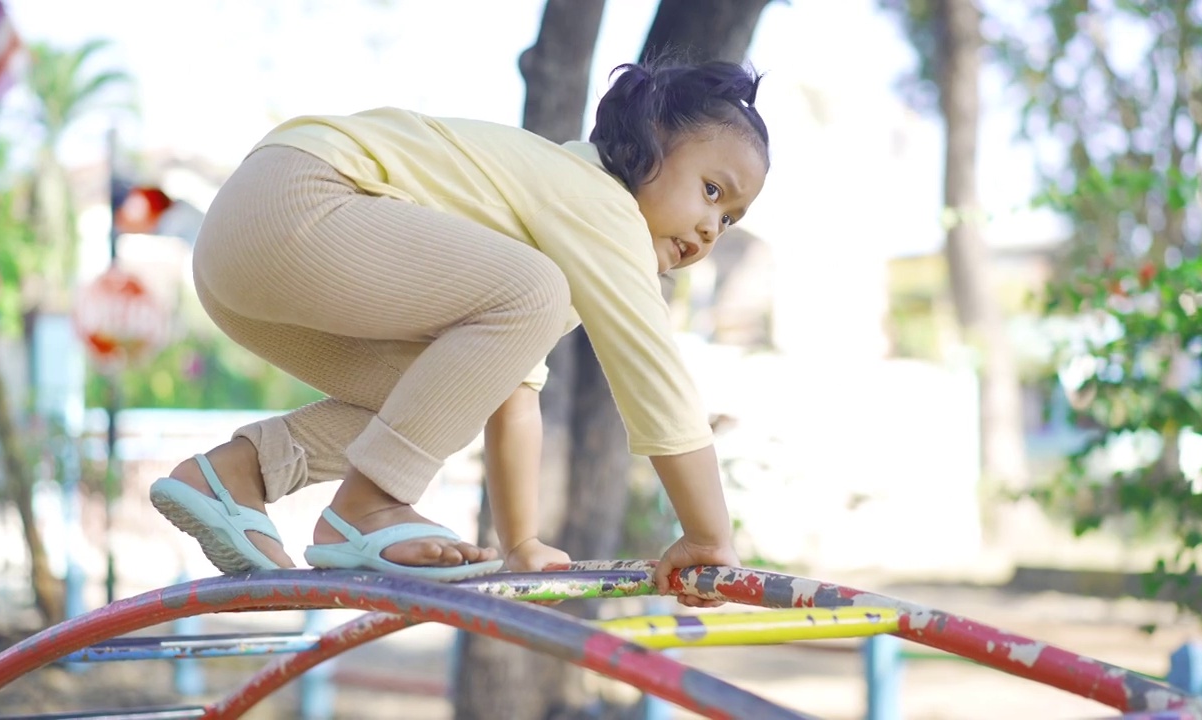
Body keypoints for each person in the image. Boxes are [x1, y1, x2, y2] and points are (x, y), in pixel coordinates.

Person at [149, 55, 770, 605]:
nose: (714, 228)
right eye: (713, 190)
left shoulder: (535, 238)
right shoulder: (601, 205)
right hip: (305, 195)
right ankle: (368, 505)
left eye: (731, 218)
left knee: (451, 390)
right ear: (644, 148)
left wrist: (520, 542)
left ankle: (238, 472)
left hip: (242, 251)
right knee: (533, 294)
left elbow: (507, 397)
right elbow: (655, 379)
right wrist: (708, 535)